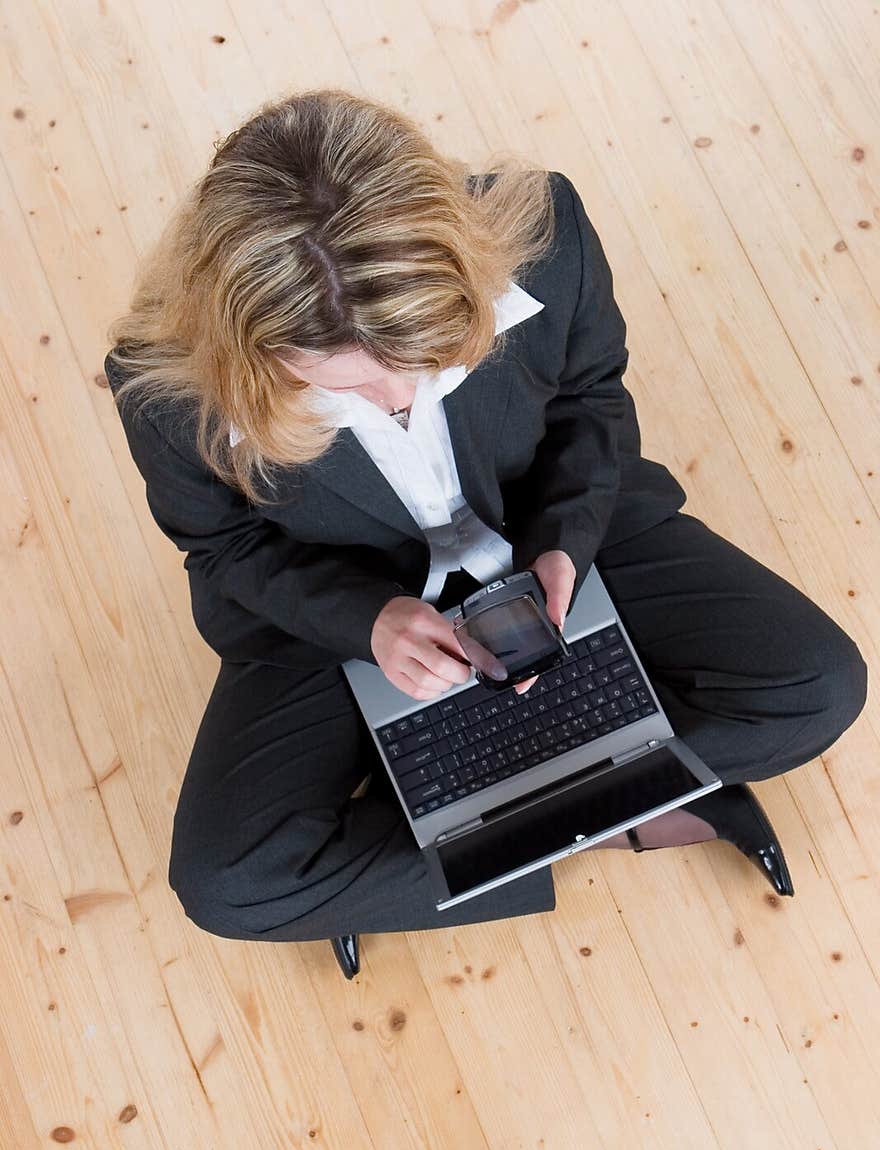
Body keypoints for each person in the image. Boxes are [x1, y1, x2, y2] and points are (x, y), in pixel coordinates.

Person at [104, 89, 867, 975]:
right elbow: (225, 547)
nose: (394, 404)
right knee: (229, 885)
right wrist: (369, 622)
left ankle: (436, 850)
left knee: (819, 687)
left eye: (424, 364)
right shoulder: (164, 388)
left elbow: (592, 397)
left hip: (559, 530)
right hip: (334, 599)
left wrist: (563, 545)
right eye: (340, 387)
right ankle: (622, 815)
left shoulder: (546, 234)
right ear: (250, 349)